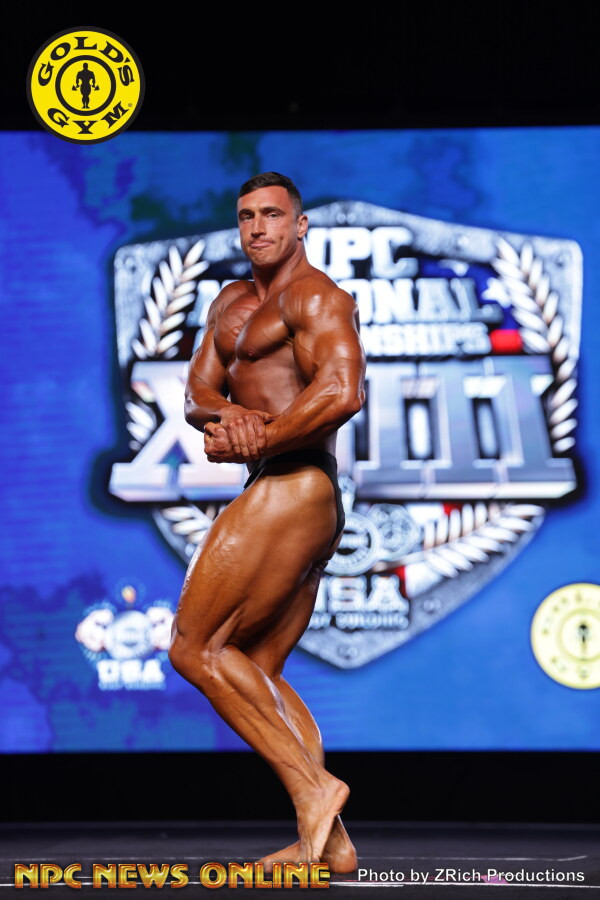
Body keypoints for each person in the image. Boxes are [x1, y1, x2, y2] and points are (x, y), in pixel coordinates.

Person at [169, 172, 366, 871]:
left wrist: (267, 435)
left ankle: (316, 790)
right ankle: (331, 844)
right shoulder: (229, 302)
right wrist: (235, 420)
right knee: (255, 667)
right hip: (279, 482)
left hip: (299, 481)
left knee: (194, 647)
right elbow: (198, 392)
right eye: (247, 216)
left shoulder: (318, 297)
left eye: (273, 215)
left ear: (300, 225)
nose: (258, 227)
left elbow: (343, 390)